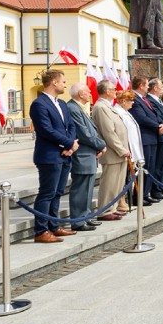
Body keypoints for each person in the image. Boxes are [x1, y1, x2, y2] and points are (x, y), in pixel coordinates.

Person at [30, 69, 79, 243]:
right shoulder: (39, 104)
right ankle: (41, 230)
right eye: (63, 82)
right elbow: (46, 130)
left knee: (58, 192)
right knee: (47, 193)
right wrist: (68, 143)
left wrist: (71, 145)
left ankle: (53, 225)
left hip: (65, 154)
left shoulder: (62, 104)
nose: (65, 85)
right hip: (49, 156)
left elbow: (71, 126)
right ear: (54, 83)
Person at [66, 83, 107, 232]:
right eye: (88, 92)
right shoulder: (72, 108)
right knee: (80, 189)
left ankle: (86, 216)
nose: (90, 94)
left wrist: (98, 145)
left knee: (88, 188)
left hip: (89, 154)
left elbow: (91, 131)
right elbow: (84, 134)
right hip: (82, 154)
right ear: (80, 93)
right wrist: (101, 145)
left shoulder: (79, 107)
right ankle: (78, 220)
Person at [91, 80, 131, 219]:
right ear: (107, 91)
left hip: (119, 152)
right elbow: (108, 132)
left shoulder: (108, 106)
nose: (116, 91)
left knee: (117, 183)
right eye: (113, 89)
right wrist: (121, 149)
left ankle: (112, 207)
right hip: (113, 152)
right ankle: (105, 210)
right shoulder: (101, 107)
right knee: (109, 183)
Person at [128, 75, 163, 205]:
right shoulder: (135, 99)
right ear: (141, 86)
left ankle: (146, 193)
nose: (148, 87)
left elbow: (155, 114)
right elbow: (141, 118)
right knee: (144, 167)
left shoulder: (144, 99)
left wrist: (161, 123)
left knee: (151, 168)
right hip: (145, 137)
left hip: (152, 137)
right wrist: (157, 125)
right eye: (147, 84)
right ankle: (139, 196)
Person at [112, 90, 146, 206]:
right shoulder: (118, 112)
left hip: (132, 149)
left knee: (126, 178)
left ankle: (123, 200)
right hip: (126, 149)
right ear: (123, 101)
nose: (132, 103)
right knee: (122, 179)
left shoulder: (126, 112)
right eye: (131, 100)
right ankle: (121, 201)